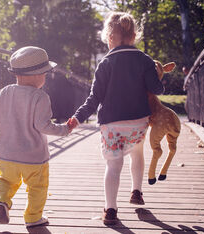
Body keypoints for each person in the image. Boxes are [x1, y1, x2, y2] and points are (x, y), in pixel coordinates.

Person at [68, 12, 164, 225]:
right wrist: (157, 74)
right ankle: (136, 192)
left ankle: (110, 209)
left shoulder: (106, 63)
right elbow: (157, 89)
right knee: (137, 152)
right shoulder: (145, 60)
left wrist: (77, 118)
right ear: (134, 35)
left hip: (112, 125)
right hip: (138, 122)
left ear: (110, 37)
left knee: (113, 165)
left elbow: (94, 99)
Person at [0, 46, 74, 228]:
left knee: (6, 181)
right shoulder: (41, 97)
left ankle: (2, 202)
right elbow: (43, 126)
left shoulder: (4, 93)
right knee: (37, 188)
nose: (45, 78)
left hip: (6, 155)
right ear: (37, 75)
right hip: (34, 158)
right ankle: (33, 217)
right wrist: (65, 130)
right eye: (44, 74)